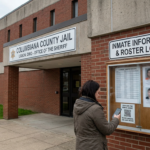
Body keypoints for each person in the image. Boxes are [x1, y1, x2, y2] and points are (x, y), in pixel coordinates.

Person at [73, 80, 120, 150]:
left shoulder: (77, 104)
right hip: (94, 146)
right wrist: (116, 119)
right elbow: (107, 130)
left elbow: (76, 128)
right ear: (93, 92)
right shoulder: (95, 109)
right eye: (98, 92)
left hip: (80, 145)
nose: (99, 95)